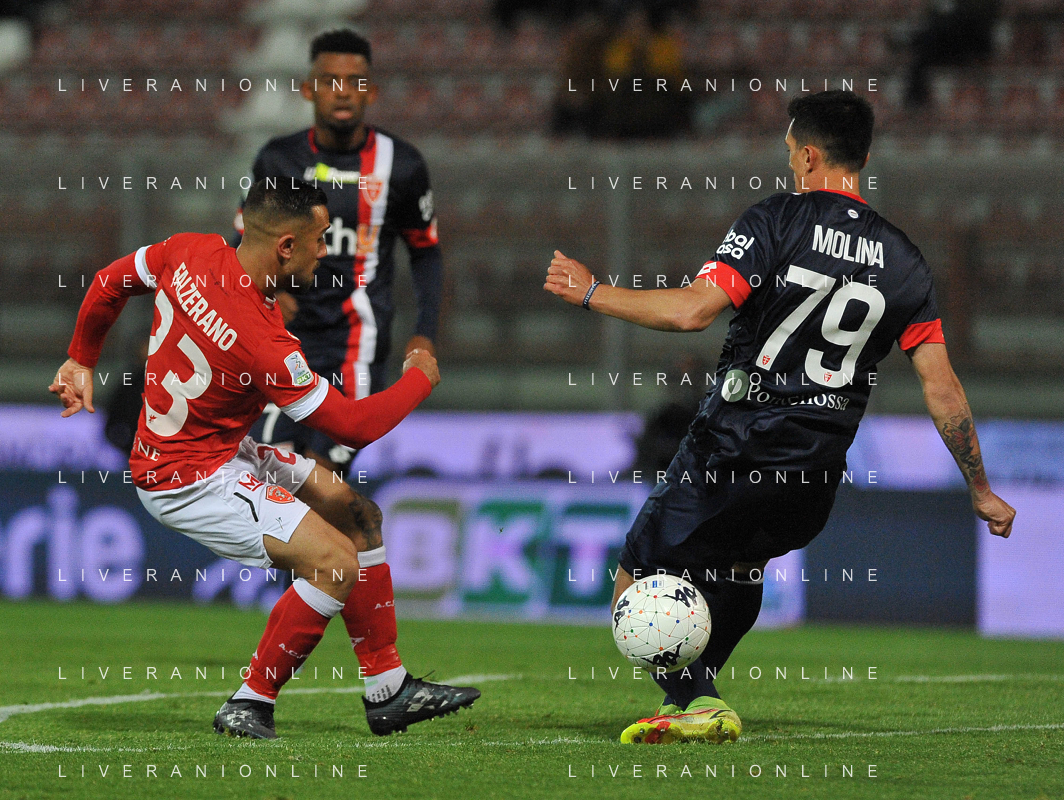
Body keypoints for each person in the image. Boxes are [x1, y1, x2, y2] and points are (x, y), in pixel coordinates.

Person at [544, 90, 1014, 745]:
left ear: (810, 155)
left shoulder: (776, 219)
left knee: (635, 575)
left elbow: (692, 311)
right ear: (863, 157)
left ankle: (694, 698)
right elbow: (942, 387)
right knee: (740, 564)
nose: (789, 162)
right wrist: (980, 488)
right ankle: (697, 695)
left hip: (736, 443)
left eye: (791, 151)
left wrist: (593, 292)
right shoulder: (904, 259)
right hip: (814, 471)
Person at [51, 180, 478, 740]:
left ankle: (389, 689)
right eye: (319, 239)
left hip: (218, 447)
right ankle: (250, 702)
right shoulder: (262, 342)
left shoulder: (191, 250)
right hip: (187, 477)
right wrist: (419, 377)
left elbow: (110, 281)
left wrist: (80, 358)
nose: (325, 250)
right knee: (335, 564)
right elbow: (355, 425)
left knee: (357, 514)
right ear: (285, 246)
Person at [231, 29, 444, 478]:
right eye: (330, 81)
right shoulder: (277, 160)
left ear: (372, 91)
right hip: (282, 343)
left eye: (356, 82)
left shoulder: (402, 165)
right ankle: (355, 528)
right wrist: (266, 292)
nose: (343, 91)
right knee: (270, 473)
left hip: (356, 345)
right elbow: (241, 244)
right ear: (308, 89)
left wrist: (424, 333)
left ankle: (349, 523)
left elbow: (425, 253)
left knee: (319, 475)